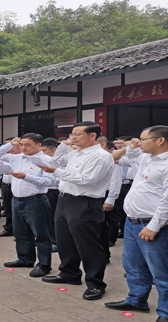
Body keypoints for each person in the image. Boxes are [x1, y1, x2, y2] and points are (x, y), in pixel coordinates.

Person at [36, 121, 115, 301]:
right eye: (72, 134)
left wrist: (56, 172)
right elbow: (58, 160)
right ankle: (69, 273)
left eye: (77, 134)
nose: (73, 138)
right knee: (65, 241)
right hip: (65, 199)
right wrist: (65, 147)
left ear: (92, 135)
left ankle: (95, 284)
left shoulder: (100, 156)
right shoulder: (76, 153)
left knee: (88, 245)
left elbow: (87, 180)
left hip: (85, 202)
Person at [104, 126, 168, 322]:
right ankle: (137, 300)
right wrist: (130, 146)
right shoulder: (145, 158)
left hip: (152, 226)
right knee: (134, 266)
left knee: (161, 272)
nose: (139, 142)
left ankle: (165, 313)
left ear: (160, 140)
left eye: (143, 139)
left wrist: (154, 226)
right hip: (132, 223)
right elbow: (113, 157)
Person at [0, 134, 56, 277]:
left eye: (27, 145)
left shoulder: (47, 160)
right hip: (17, 200)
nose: (23, 147)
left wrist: (27, 177)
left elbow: (50, 182)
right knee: (21, 232)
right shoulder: (17, 157)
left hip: (36, 200)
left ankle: (44, 265)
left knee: (41, 234)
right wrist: (9, 145)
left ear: (39, 145)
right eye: (21, 144)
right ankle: (25, 258)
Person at [0, 138, 20, 237]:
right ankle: (9, 228)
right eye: (9, 146)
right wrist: (9, 145)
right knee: (8, 210)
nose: (11, 149)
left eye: (13, 146)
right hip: (6, 185)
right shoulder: (8, 157)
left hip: (16, 186)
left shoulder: (23, 158)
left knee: (17, 211)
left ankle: (19, 231)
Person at [41, 138, 61, 252]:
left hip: (54, 191)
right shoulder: (42, 161)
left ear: (54, 150)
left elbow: (59, 178)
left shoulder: (57, 161)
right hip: (44, 191)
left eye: (44, 151)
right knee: (45, 217)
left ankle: (55, 241)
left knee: (53, 217)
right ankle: (47, 239)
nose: (42, 154)